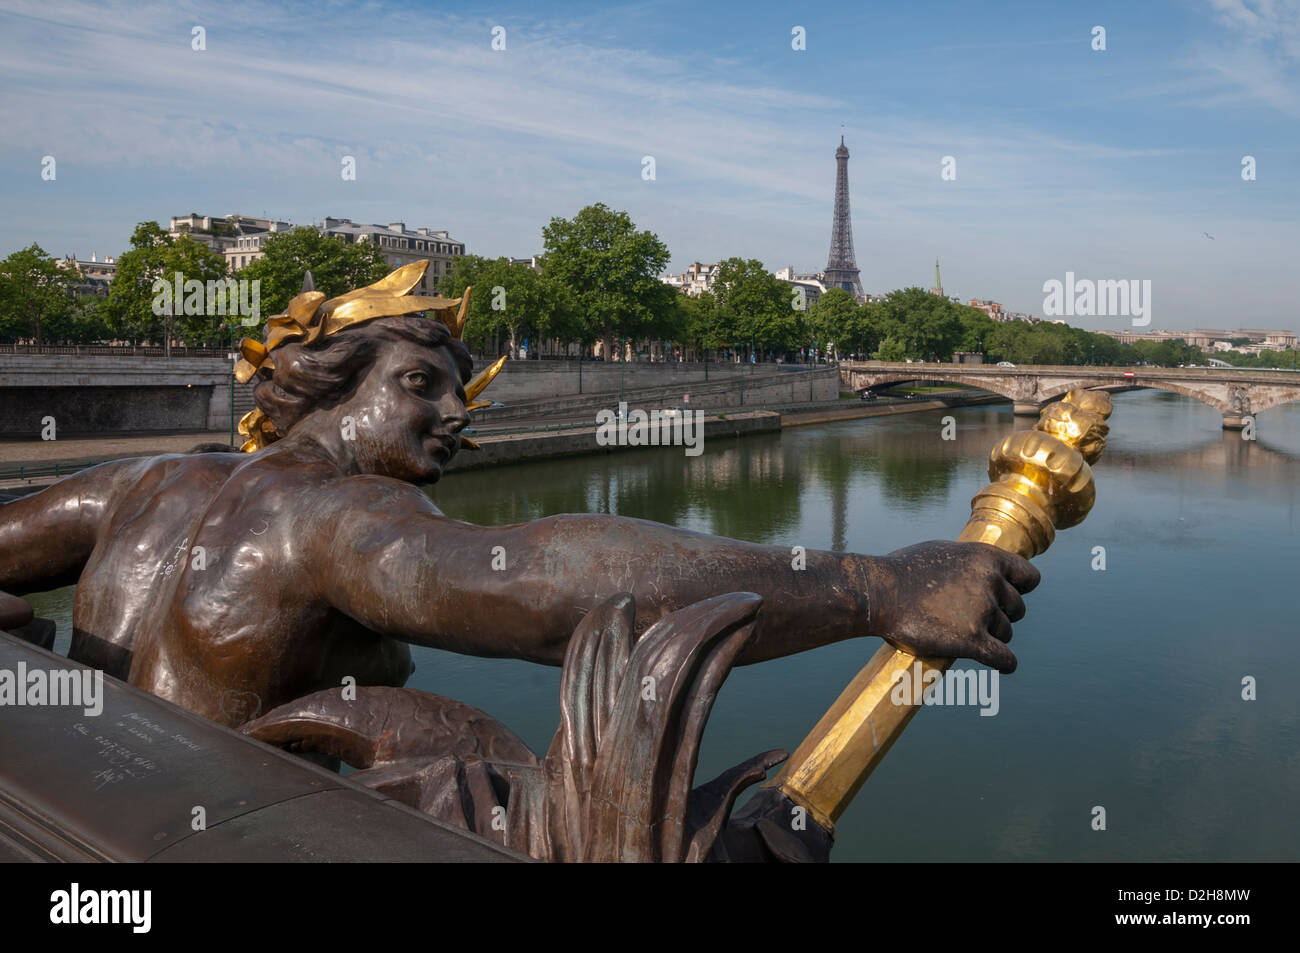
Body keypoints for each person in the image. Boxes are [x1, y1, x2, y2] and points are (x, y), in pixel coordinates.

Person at [0, 263, 1037, 728]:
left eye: (461, 392)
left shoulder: (146, 481)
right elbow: (539, 587)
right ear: (329, 384)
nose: (457, 414)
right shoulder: (331, 515)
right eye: (420, 385)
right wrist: (868, 581)